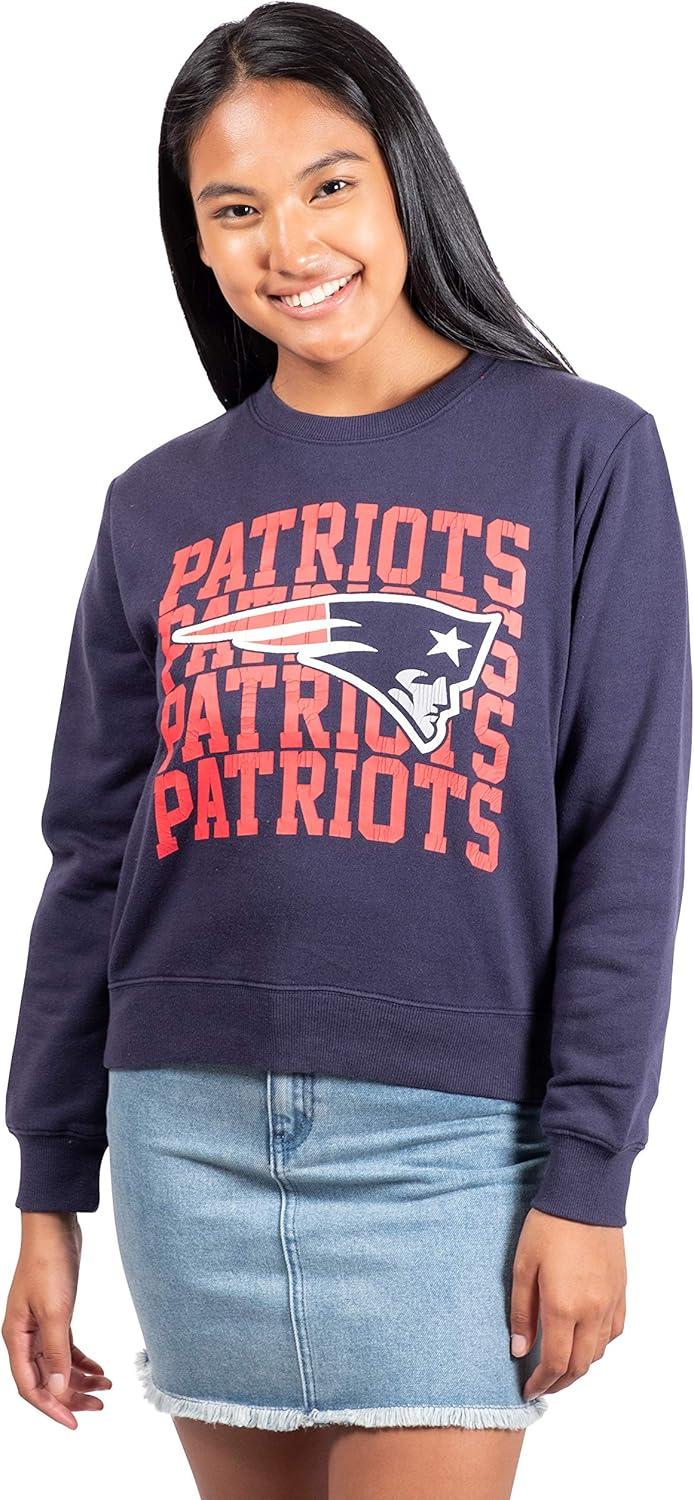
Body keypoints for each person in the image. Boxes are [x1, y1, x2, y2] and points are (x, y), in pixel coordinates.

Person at [2, 5, 691, 1499]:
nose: (290, 243)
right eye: (233, 208)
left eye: (329, 185)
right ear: (196, 242)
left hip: (459, 1146)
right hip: (182, 1138)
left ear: (403, 183)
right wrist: (47, 1190)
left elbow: (624, 838)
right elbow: (92, 860)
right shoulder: (155, 505)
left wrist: (589, 1178)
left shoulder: (585, 454)